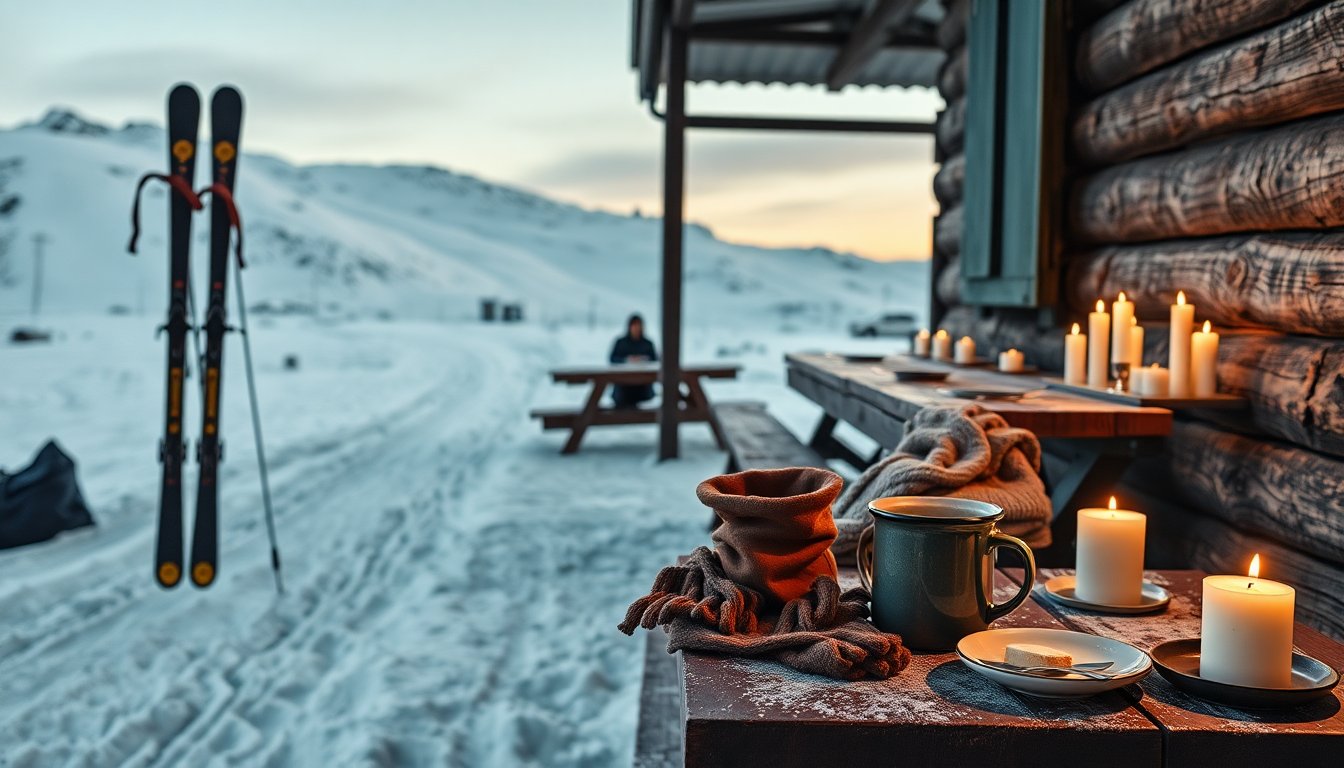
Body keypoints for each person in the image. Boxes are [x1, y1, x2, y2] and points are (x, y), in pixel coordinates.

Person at [609, 314, 658, 408]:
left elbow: (655, 360)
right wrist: (626, 360)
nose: (636, 328)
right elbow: (612, 359)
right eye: (634, 325)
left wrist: (644, 360)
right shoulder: (621, 342)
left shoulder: (648, 343)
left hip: (643, 386)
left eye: (639, 325)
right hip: (623, 385)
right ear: (629, 326)